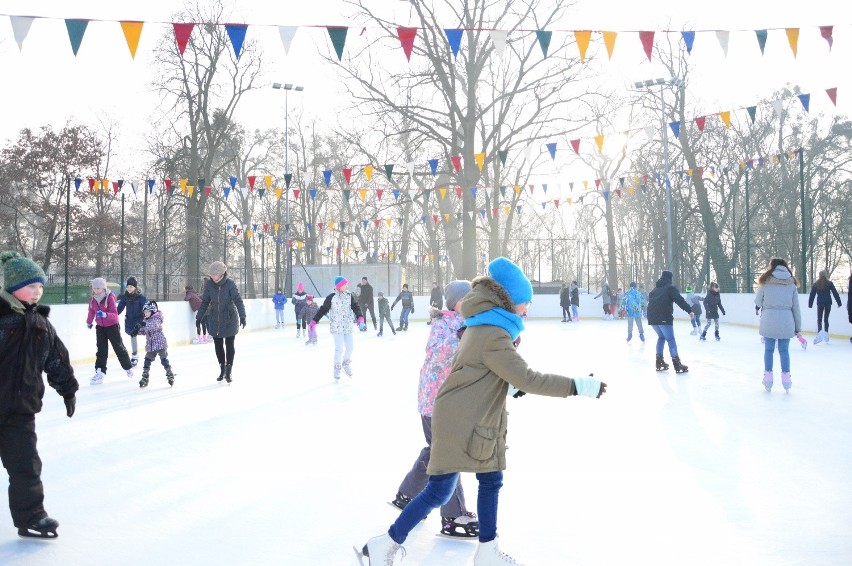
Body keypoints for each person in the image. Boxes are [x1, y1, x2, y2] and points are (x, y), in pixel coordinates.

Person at [360, 257, 607, 566]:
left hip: (469, 417)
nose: (527, 309)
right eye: (524, 303)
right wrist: (578, 386)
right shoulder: (493, 333)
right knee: (441, 491)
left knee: (487, 480)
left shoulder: (483, 325)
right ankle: (388, 543)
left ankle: (485, 551)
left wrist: (508, 383)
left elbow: (480, 370)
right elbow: (529, 378)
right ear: (511, 302)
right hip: (463, 421)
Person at [389, 281, 477, 539]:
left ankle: (410, 494)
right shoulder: (444, 323)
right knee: (448, 456)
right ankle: (452, 516)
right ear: (458, 302)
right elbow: (438, 353)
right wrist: (461, 338)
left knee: (438, 452)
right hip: (436, 402)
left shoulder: (468, 323)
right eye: (470, 297)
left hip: (452, 401)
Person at [0, 251, 78, 539]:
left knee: (26, 467)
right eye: (31, 285)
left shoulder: (40, 325)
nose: (37, 292)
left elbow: (56, 359)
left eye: (40, 286)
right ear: (12, 285)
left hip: (20, 411)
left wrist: (68, 389)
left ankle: (31, 517)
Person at [755, 258, 802, 392]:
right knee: (784, 351)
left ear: (772, 266)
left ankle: (768, 378)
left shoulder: (765, 282)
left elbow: (758, 301)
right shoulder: (792, 283)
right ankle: (786, 379)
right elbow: (796, 308)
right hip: (786, 320)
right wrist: (798, 327)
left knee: (769, 350)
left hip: (769, 320)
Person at [198, 261, 246, 384]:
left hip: (229, 318)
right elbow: (205, 302)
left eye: (215, 274)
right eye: (211, 274)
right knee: (218, 345)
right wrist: (199, 317)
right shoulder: (209, 284)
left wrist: (242, 316)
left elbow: (238, 300)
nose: (212, 276)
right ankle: (222, 369)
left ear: (221, 274)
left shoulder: (230, 284)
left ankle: (229, 370)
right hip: (215, 319)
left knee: (229, 344)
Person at [311, 276, 365, 380]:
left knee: (350, 347)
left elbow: (356, 307)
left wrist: (360, 318)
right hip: (336, 327)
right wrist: (314, 320)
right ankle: (337, 367)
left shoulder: (349, 296)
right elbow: (323, 310)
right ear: (339, 286)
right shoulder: (331, 297)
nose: (347, 285)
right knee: (339, 348)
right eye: (345, 284)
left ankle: (345, 363)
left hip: (348, 326)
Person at [86, 277, 134, 384]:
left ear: (103, 288)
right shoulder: (92, 300)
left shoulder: (109, 298)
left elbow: (115, 315)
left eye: (98, 288)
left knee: (119, 347)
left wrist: (105, 314)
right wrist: (89, 322)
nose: (96, 290)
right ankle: (100, 372)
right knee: (101, 350)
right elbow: (91, 312)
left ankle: (127, 367)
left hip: (112, 327)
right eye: (94, 288)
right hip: (100, 328)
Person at [647, 270, 693, 373]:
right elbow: (679, 300)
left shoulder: (654, 290)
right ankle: (677, 365)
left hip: (652, 319)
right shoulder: (670, 288)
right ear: (670, 278)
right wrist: (689, 310)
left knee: (661, 337)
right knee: (670, 339)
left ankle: (659, 362)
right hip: (663, 317)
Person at [134, 300, 175, 388]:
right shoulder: (145, 320)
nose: (146, 313)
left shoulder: (157, 318)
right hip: (151, 345)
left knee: (164, 360)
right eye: (144, 312)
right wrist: (136, 331)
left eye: (148, 311)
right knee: (147, 360)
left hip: (160, 344)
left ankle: (169, 373)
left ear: (152, 311)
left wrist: (143, 324)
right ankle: (145, 376)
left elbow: (153, 326)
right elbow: (145, 331)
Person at [116, 276, 147, 367]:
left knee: (140, 335)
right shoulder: (125, 297)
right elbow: (119, 309)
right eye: (128, 286)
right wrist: (110, 315)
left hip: (139, 320)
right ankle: (135, 356)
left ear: (135, 287)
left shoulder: (141, 298)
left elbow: (146, 309)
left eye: (131, 287)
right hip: (129, 320)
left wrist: (147, 319)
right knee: (133, 336)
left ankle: (138, 355)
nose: (129, 288)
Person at [808, 269, 842, 344]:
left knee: (819, 319)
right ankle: (826, 333)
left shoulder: (816, 284)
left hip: (820, 303)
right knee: (826, 319)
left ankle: (820, 332)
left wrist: (810, 304)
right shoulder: (829, 283)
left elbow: (812, 295)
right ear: (825, 275)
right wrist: (839, 303)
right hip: (828, 303)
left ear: (819, 275)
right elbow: (835, 293)